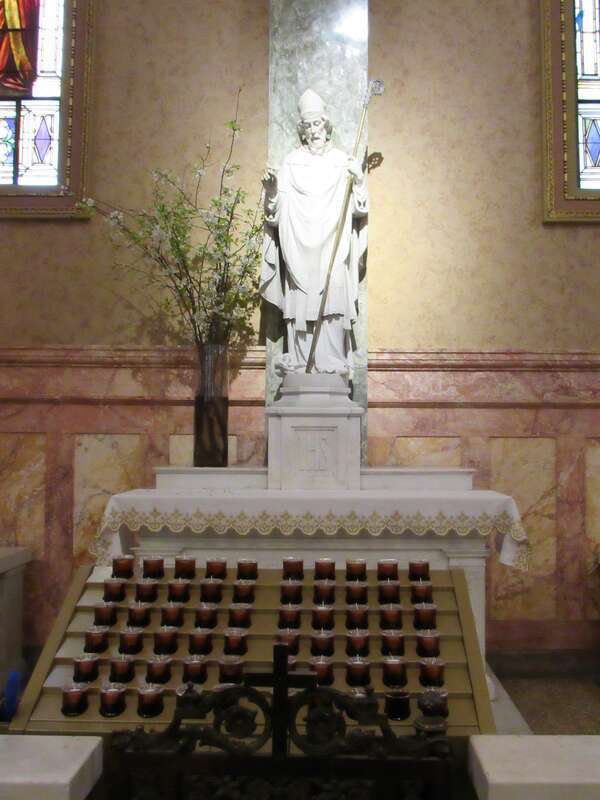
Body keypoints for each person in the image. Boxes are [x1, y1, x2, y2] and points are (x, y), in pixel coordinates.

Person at [260, 89, 368, 375]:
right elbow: (275, 212)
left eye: (318, 124)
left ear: (326, 125)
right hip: (298, 249)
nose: (313, 131)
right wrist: (271, 190)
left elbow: (359, 210)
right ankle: (299, 361)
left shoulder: (342, 163)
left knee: (332, 300)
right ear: (302, 131)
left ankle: (332, 363)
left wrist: (358, 181)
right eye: (307, 126)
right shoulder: (291, 163)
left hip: (333, 249)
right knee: (301, 303)